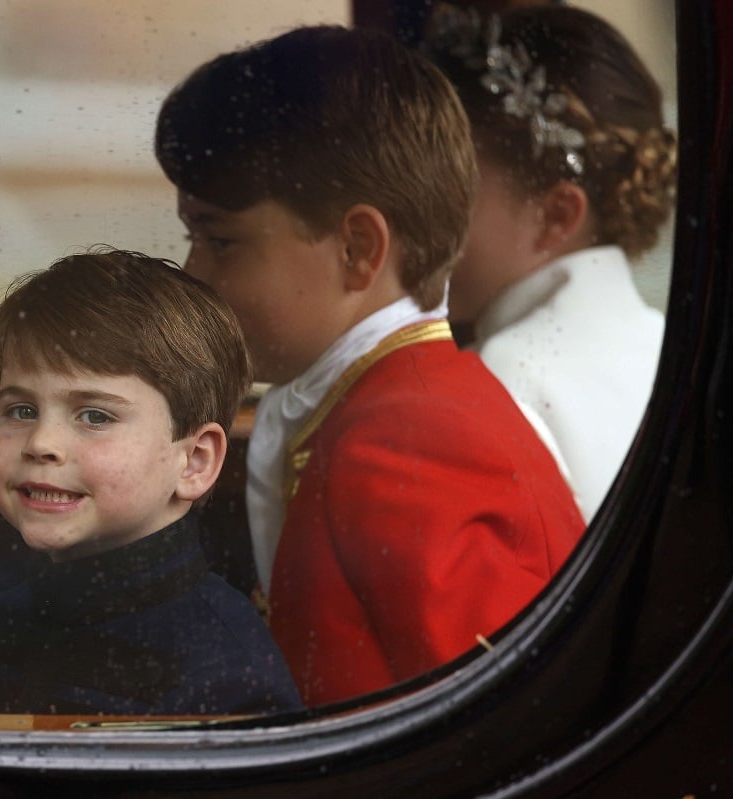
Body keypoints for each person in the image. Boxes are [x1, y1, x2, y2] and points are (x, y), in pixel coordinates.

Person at [154, 24, 586, 706]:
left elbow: (493, 726)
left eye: (220, 240)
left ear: (358, 248)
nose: (193, 272)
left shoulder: (407, 441)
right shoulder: (380, 409)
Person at [0, 248, 302, 716]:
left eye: (95, 416)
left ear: (194, 462)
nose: (41, 442)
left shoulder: (225, 676)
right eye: (21, 410)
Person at [423, 5, 677, 522]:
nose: (420, 215)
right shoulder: (668, 347)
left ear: (555, 216)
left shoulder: (494, 387)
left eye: (448, 188)